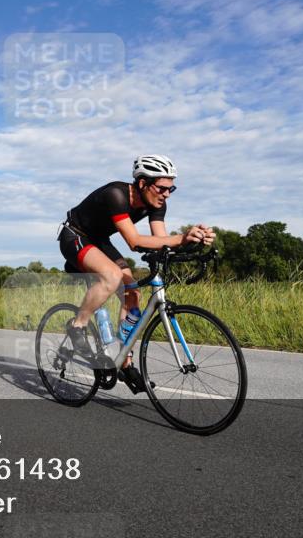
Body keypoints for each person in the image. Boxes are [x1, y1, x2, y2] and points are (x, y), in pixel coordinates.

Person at [58, 155, 215, 393]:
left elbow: (162, 241)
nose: (167, 194)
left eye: (171, 188)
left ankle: (124, 359)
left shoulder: (158, 204)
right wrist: (182, 237)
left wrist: (195, 241)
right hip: (75, 236)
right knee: (111, 276)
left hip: (99, 240)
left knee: (133, 294)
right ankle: (78, 325)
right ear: (142, 183)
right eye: (162, 188)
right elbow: (134, 241)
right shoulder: (117, 195)